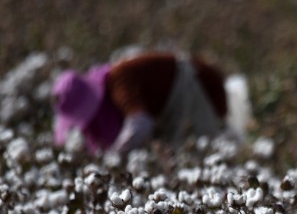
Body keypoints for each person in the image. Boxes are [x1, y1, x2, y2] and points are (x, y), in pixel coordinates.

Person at [52, 50, 230, 156]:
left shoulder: (119, 80)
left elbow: (141, 123)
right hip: (187, 92)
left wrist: (116, 155)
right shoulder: (112, 81)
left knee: (203, 152)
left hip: (200, 86)